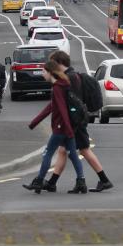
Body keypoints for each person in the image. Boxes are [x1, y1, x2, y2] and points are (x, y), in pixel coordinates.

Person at [43, 51, 112, 193]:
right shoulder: (71, 76)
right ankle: (52, 182)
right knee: (64, 150)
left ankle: (104, 180)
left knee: (84, 150)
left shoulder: (70, 78)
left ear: (59, 63)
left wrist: (68, 123)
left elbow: (72, 102)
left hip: (75, 122)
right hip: (75, 121)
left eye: (53, 63)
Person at [22, 60, 85, 194]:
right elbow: (51, 107)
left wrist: (66, 128)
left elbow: (62, 108)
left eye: (44, 71)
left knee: (47, 154)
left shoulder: (57, 87)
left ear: (50, 72)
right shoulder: (63, 85)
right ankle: (81, 182)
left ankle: (39, 181)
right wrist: (34, 122)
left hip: (61, 127)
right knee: (73, 155)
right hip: (68, 128)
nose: (42, 74)